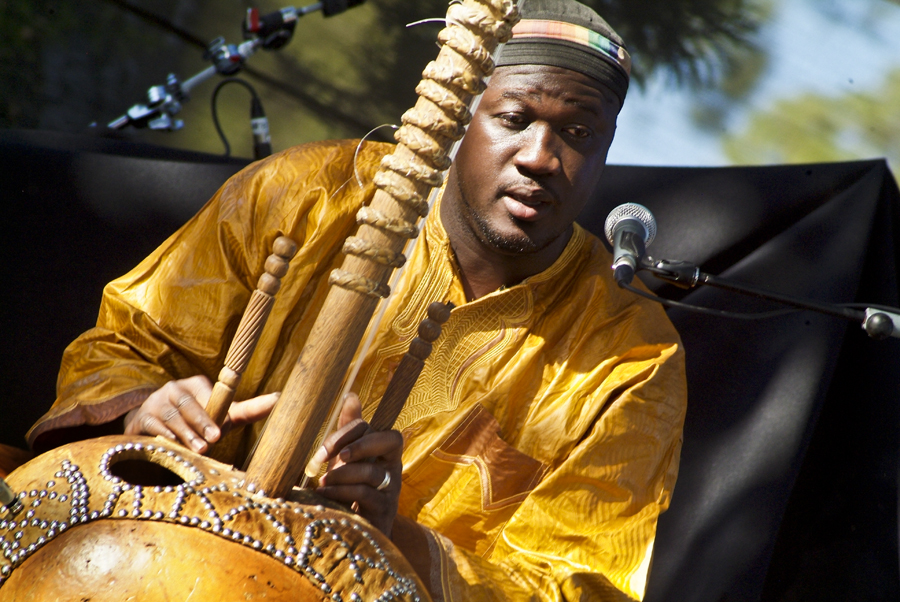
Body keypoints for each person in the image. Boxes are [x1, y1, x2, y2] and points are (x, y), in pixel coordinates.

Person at [27, 0, 687, 599]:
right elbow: (125, 344)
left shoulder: (630, 353)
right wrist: (147, 411)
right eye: (515, 119)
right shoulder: (306, 193)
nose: (540, 156)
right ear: (463, 117)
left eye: (578, 135)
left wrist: (393, 538)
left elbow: (576, 584)